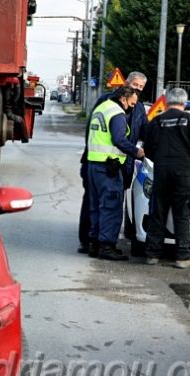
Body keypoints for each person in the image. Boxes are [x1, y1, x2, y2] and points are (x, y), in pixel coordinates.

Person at [78, 72, 148, 254]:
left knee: (101, 204)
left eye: (141, 87)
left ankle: (96, 242)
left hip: (116, 163)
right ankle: (98, 244)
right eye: (135, 85)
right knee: (107, 205)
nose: (137, 89)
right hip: (106, 164)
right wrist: (137, 152)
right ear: (126, 86)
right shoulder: (110, 104)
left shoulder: (137, 108)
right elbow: (116, 138)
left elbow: (144, 132)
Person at [143, 88, 190, 269]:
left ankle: (152, 255)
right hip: (183, 171)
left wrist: (160, 161)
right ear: (185, 103)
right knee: (182, 214)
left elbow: (148, 148)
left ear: (166, 102)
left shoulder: (157, 121)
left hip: (162, 170)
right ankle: (182, 257)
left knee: (158, 212)